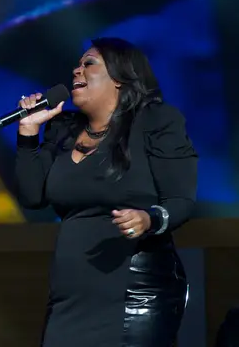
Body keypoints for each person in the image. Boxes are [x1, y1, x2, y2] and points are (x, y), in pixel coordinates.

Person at [14, 37, 197, 347]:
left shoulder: (156, 121)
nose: (76, 70)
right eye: (78, 64)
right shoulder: (64, 130)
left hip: (134, 294)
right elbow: (33, 196)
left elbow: (180, 200)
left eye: (89, 63)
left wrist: (148, 219)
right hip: (70, 296)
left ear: (120, 79)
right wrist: (28, 133)